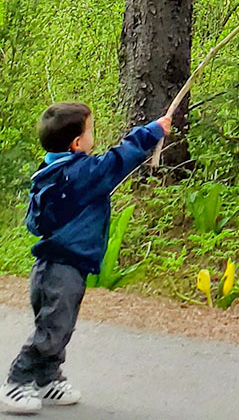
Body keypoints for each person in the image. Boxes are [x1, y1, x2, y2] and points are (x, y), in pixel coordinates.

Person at [1, 103, 170, 415]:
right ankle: (16, 381)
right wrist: (154, 131)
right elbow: (119, 160)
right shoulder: (81, 174)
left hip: (50, 268)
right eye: (90, 131)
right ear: (76, 144)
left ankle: (48, 379)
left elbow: (33, 223)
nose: (94, 138)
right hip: (63, 269)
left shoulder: (48, 173)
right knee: (52, 331)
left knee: (57, 327)